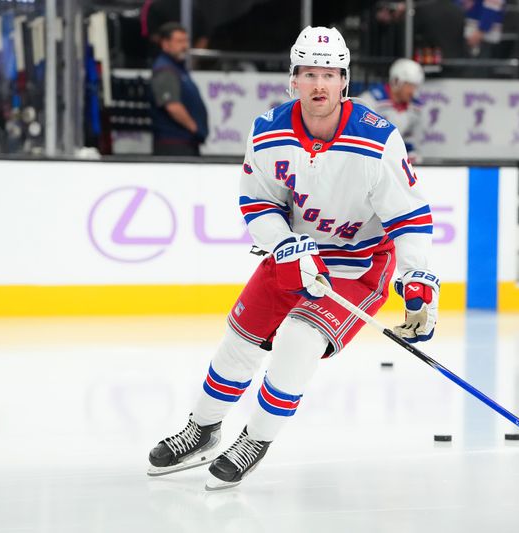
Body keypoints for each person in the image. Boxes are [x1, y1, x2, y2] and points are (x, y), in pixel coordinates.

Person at [147, 26, 439, 490]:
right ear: (293, 79)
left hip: (359, 264)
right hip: (295, 252)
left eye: (329, 73)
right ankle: (203, 428)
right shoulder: (267, 131)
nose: (319, 84)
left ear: (344, 80)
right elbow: (257, 203)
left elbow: (409, 215)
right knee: (240, 337)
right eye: (308, 73)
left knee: (299, 340)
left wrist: (417, 276)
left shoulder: (378, 138)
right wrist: (284, 243)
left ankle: (255, 439)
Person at [149, 22, 209, 156]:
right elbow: (172, 106)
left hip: (184, 143)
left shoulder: (177, 68)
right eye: (179, 41)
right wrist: (195, 129)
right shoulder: (165, 70)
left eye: (186, 41)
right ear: (165, 44)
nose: (185, 46)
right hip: (173, 145)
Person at [358, 58, 424, 162]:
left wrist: (411, 154)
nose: (413, 91)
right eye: (409, 85)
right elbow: (359, 134)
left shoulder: (415, 108)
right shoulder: (370, 101)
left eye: (415, 86)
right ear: (396, 81)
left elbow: (408, 139)